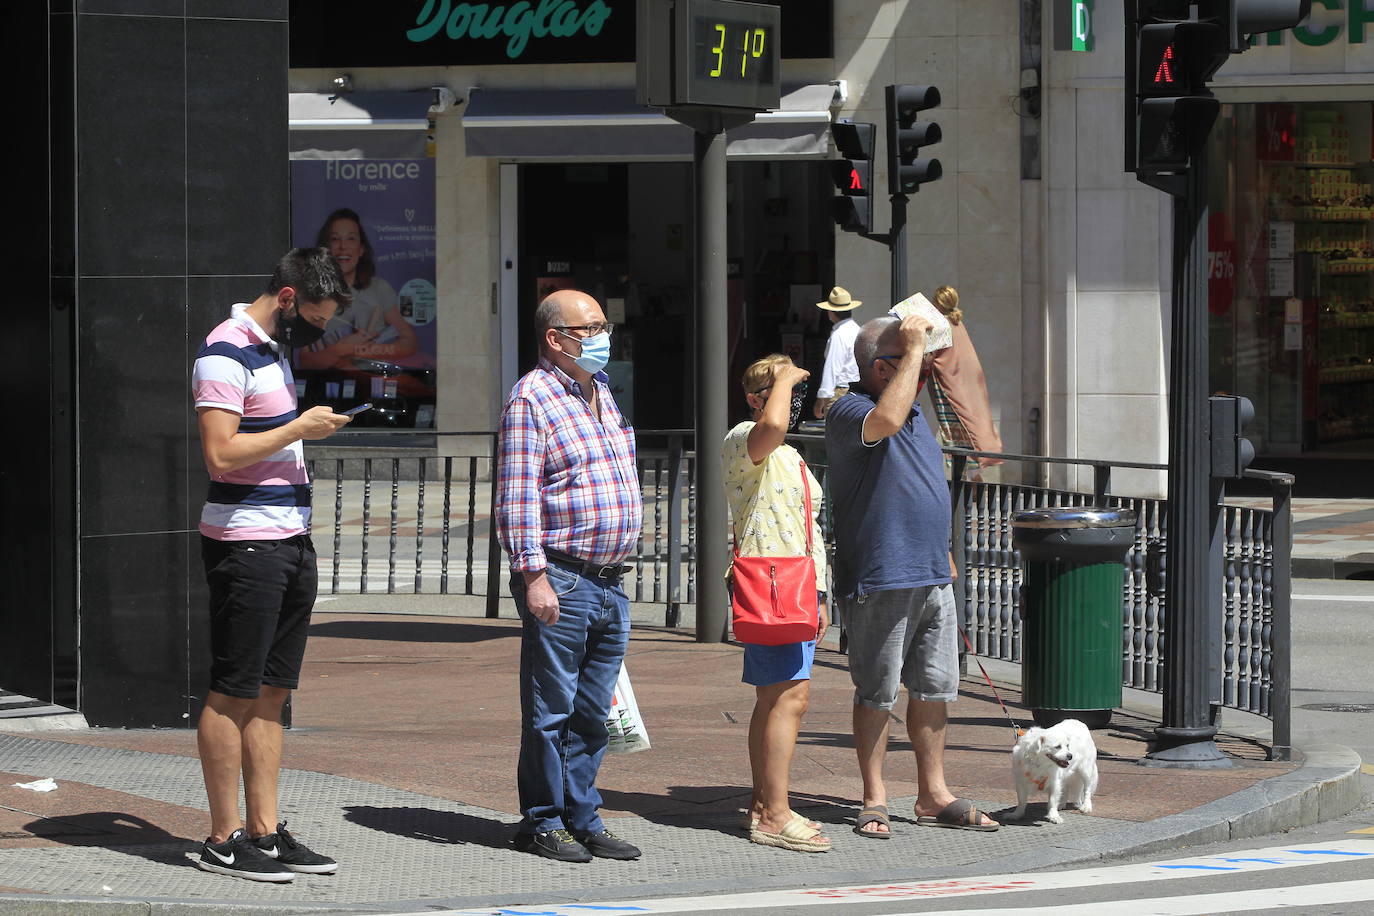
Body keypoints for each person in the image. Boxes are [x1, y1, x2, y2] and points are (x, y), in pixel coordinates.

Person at [191, 248, 356, 882]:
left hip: (289, 539)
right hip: (246, 544)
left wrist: (302, 428)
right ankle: (222, 837)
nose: (319, 330)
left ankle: (263, 829)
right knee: (233, 690)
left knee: (272, 692)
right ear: (287, 298)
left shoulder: (272, 349)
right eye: (314, 317)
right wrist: (297, 430)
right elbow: (221, 454)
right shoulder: (225, 349)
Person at [824, 314, 1000, 838]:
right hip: (882, 576)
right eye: (913, 360)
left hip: (929, 573)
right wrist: (915, 345)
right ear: (881, 368)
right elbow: (887, 423)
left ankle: (932, 792)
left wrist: (941, 548)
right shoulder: (851, 409)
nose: (923, 368)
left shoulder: (913, 410)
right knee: (877, 691)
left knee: (935, 687)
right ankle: (874, 797)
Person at [496, 289, 644, 864]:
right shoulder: (531, 399)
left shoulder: (602, 391)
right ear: (556, 339)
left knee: (593, 712)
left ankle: (583, 815)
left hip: (609, 579)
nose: (604, 335)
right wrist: (534, 577)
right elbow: (517, 498)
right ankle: (542, 820)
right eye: (592, 327)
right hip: (562, 575)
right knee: (550, 709)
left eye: (604, 323)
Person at [723, 355, 832, 854]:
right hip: (771, 586)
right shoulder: (744, 437)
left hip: (792, 585)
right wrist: (786, 378)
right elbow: (772, 424)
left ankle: (766, 802)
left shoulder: (789, 454)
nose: (792, 399)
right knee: (788, 697)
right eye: (782, 389)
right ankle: (773, 813)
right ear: (755, 399)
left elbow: (811, 529)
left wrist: (821, 593)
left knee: (777, 698)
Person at [298, 207, 418, 369]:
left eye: (351, 239)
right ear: (325, 250)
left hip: (375, 384)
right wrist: (338, 350)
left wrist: (364, 350)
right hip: (333, 386)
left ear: (361, 249)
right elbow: (305, 361)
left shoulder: (379, 288)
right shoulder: (312, 295)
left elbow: (409, 342)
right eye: (335, 239)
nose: (343, 247)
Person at [926, 285, 1003, 474]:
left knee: (955, 432)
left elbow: (929, 354)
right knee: (965, 431)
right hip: (961, 384)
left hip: (947, 386)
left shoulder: (941, 325)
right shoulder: (956, 323)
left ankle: (972, 478)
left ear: (937, 303)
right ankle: (973, 477)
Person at [812, 286, 862, 418]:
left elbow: (832, 367)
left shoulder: (839, 335)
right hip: (856, 391)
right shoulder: (858, 330)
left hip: (840, 392)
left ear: (831, 312)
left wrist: (821, 399)